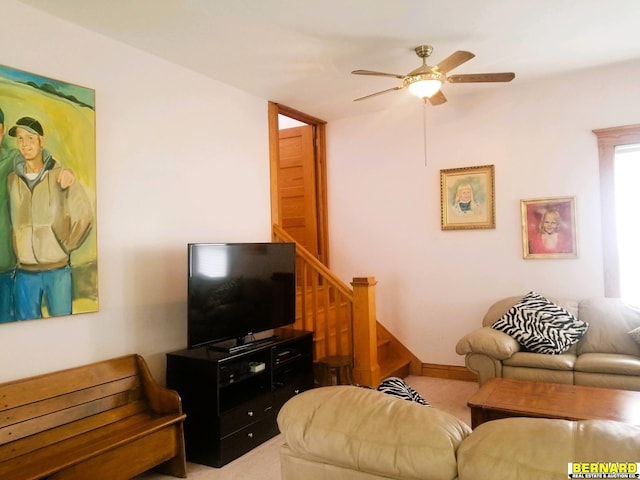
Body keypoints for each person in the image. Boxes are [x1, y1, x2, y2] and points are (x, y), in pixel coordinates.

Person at [7, 116, 93, 320]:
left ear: (41, 141)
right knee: (25, 332)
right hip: (24, 273)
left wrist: (64, 245)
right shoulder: (12, 181)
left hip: (58, 271)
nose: (25, 144)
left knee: (65, 328)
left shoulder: (60, 175)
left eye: (30, 138)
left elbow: (85, 215)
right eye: (20, 139)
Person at [0, 107, 20, 323]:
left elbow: (40, 159)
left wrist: (64, 171)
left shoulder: (12, 158)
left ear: (2, 130)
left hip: (4, 264)